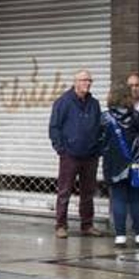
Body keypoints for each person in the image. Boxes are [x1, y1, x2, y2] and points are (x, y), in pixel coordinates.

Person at [48, 71, 103, 239]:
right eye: (84, 80)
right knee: (64, 191)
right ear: (76, 82)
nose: (88, 83)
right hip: (70, 155)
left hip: (90, 155)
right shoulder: (64, 102)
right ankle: (61, 225)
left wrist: (98, 148)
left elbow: (100, 127)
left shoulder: (94, 104)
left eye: (89, 80)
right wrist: (61, 149)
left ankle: (87, 225)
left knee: (88, 192)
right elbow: (54, 127)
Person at [101, 87, 139, 248]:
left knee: (119, 199)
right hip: (135, 164)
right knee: (137, 199)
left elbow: (99, 140)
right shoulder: (136, 116)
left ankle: (120, 237)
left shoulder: (105, 118)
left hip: (114, 165)